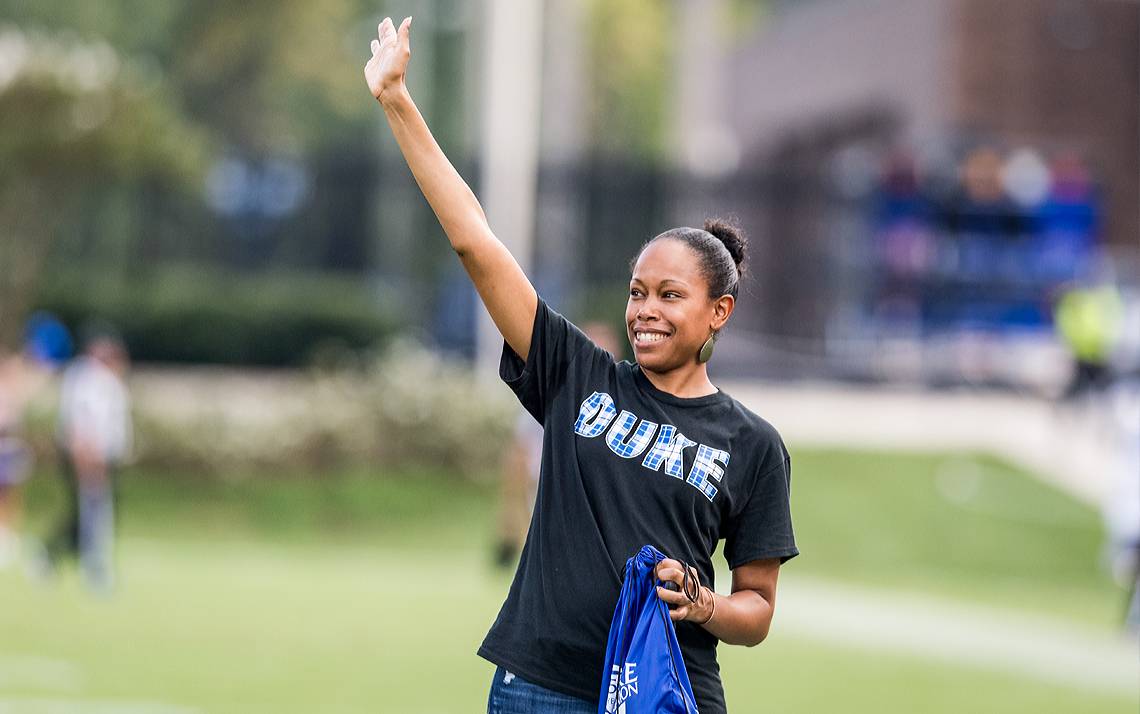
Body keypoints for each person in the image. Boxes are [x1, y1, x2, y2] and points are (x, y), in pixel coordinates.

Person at [365, 18, 798, 713]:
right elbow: (477, 246)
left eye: (670, 295)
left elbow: (758, 609)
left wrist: (702, 601)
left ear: (719, 311)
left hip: (664, 692)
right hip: (539, 689)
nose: (645, 310)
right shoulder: (578, 374)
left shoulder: (752, 445)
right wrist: (396, 100)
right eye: (636, 293)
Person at [43, 332, 132, 593]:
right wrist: (90, 461)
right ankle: (89, 566)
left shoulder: (105, 382)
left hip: (103, 459)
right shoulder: (89, 381)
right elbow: (84, 427)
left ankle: (80, 561)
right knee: (90, 515)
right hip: (91, 461)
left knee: (93, 514)